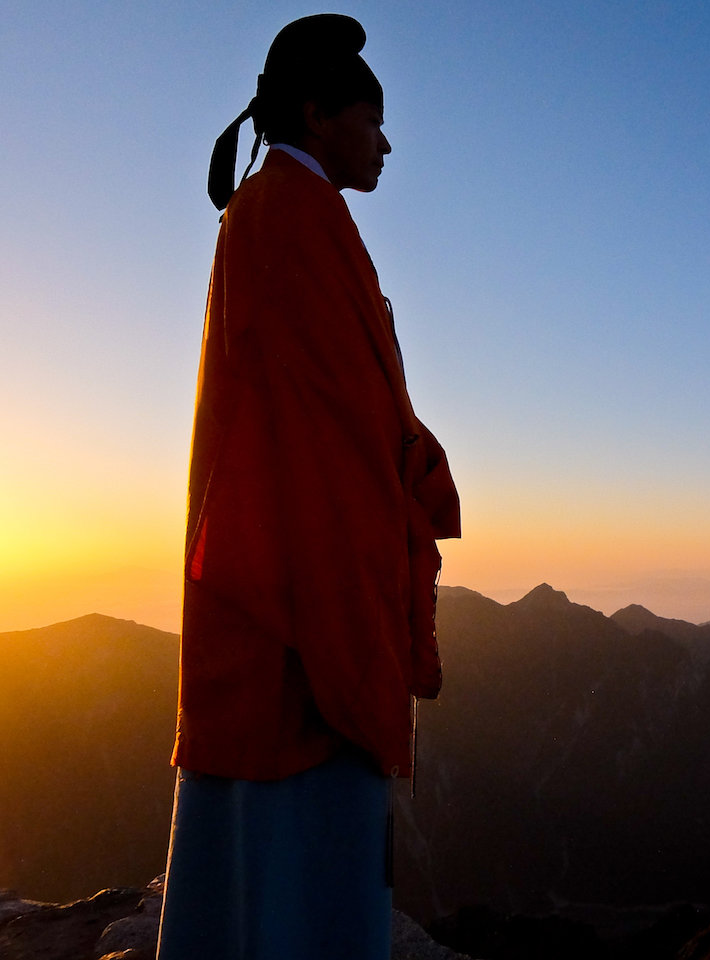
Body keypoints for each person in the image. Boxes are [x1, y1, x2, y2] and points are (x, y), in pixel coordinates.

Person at [156, 15, 460, 959]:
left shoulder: (285, 212)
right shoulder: (287, 218)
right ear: (320, 114)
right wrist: (358, 630)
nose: (386, 141)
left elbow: (330, 414)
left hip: (283, 588)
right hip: (302, 609)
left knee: (259, 884)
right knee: (305, 890)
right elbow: (317, 445)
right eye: (374, 120)